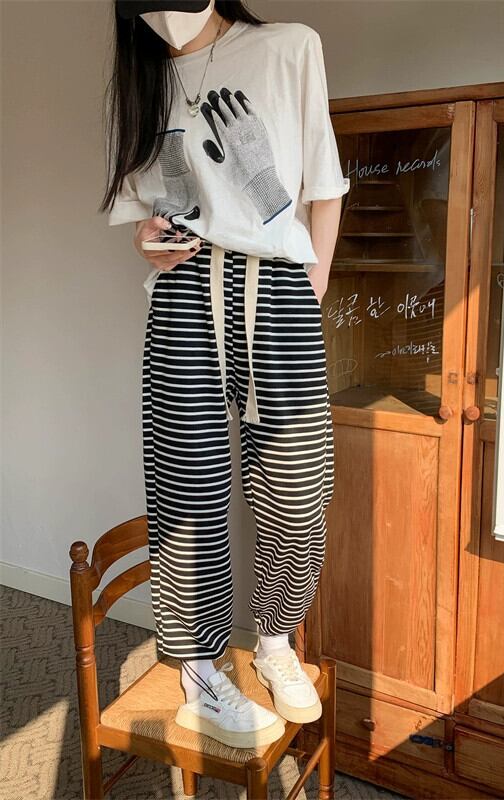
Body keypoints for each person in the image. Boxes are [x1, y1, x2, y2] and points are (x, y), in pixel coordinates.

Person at [100, 0, 349, 748]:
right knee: (188, 494)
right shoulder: (145, 74)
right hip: (183, 295)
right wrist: (150, 240)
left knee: (298, 491)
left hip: (277, 285)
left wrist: (311, 283)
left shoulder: (288, 47)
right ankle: (200, 674)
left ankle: (274, 641)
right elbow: (146, 214)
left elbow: (324, 181)